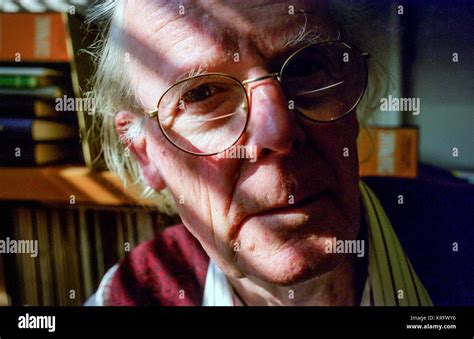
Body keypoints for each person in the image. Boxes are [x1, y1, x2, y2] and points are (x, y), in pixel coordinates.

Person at [85, 0, 474, 306]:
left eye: (306, 66)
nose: (278, 130)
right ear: (144, 152)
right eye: (201, 94)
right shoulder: (132, 296)